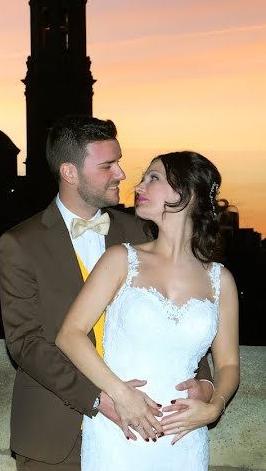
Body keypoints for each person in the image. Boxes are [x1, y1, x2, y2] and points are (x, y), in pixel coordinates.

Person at [0, 116, 213, 470]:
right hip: (54, 432)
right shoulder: (21, 243)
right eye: (108, 166)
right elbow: (25, 342)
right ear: (70, 173)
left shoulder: (140, 231)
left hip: (144, 434)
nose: (122, 175)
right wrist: (101, 399)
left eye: (119, 162)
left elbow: (180, 307)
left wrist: (203, 380)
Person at [56, 151, 239, 470]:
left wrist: (215, 407)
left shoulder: (220, 279)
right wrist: (118, 394)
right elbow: (70, 336)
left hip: (184, 440)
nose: (137, 184)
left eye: (153, 177)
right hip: (119, 433)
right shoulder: (120, 259)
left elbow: (228, 363)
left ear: (187, 193)